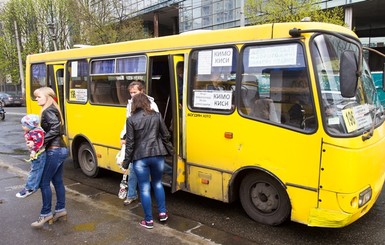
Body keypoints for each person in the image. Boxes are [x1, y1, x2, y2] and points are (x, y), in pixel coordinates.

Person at [122, 93, 173, 229]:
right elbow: (166, 135)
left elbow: (130, 144)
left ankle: (148, 221)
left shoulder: (131, 119)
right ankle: (162, 213)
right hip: (158, 154)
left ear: (134, 104)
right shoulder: (156, 116)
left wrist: (125, 163)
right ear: (147, 103)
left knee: (144, 188)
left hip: (140, 158)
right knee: (157, 183)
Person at [30, 87, 68, 228]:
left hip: (54, 150)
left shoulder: (48, 110)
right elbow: (57, 129)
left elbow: (55, 129)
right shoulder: (53, 108)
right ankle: (60, 210)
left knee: (43, 182)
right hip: (60, 149)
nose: (36, 99)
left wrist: (40, 143)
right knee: (57, 180)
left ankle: (46, 214)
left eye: (39, 96)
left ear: (47, 96)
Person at [119, 81, 160, 205]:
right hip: (135, 142)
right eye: (131, 92)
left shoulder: (152, 104)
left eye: (134, 92)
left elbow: (156, 124)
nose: (132, 95)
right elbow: (128, 123)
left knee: (144, 170)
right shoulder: (130, 104)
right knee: (132, 170)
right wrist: (123, 136)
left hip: (147, 143)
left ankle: (144, 197)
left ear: (142, 91)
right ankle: (132, 195)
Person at [16, 114, 46, 199]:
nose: (22, 127)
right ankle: (31, 186)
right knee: (34, 170)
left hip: (38, 154)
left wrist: (33, 151)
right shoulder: (32, 131)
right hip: (36, 154)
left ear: (31, 125)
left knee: (35, 171)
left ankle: (30, 188)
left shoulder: (37, 132)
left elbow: (39, 143)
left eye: (24, 125)